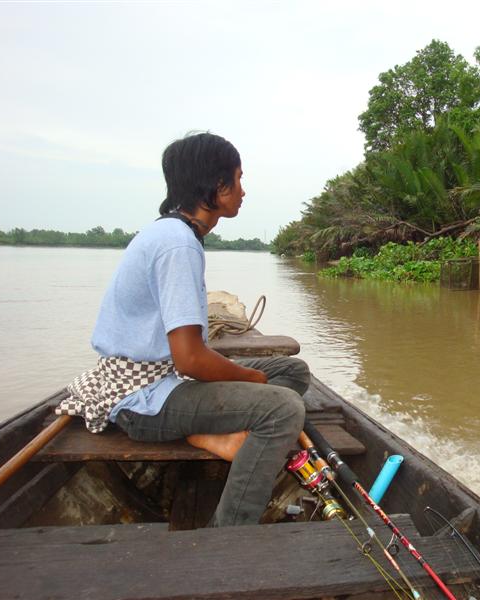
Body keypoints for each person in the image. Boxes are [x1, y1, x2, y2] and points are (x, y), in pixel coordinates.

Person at [57, 132, 309, 526]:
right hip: (143, 399)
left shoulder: (173, 234)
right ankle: (227, 534)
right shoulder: (178, 245)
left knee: (293, 371)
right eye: (238, 179)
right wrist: (252, 378)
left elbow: (186, 357)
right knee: (283, 408)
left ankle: (207, 433)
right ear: (216, 185)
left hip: (165, 378)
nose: (244, 191)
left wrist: (253, 378)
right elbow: (190, 359)